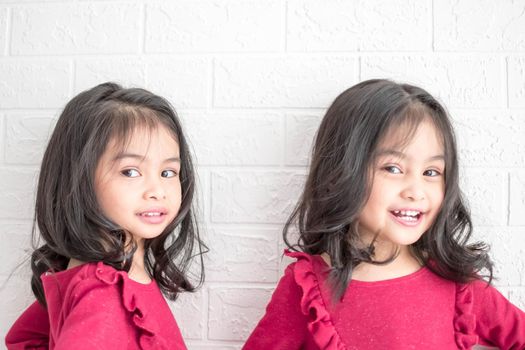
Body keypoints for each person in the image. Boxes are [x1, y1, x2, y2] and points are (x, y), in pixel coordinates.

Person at [244, 79, 525, 349]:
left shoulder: (459, 284)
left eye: (431, 172)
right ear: (341, 173)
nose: (416, 191)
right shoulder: (306, 289)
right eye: (393, 168)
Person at [5, 82, 205, 349]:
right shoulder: (103, 294)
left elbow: (25, 338)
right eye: (130, 172)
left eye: (168, 173)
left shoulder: (109, 277)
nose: (158, 190)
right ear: (79, 179)